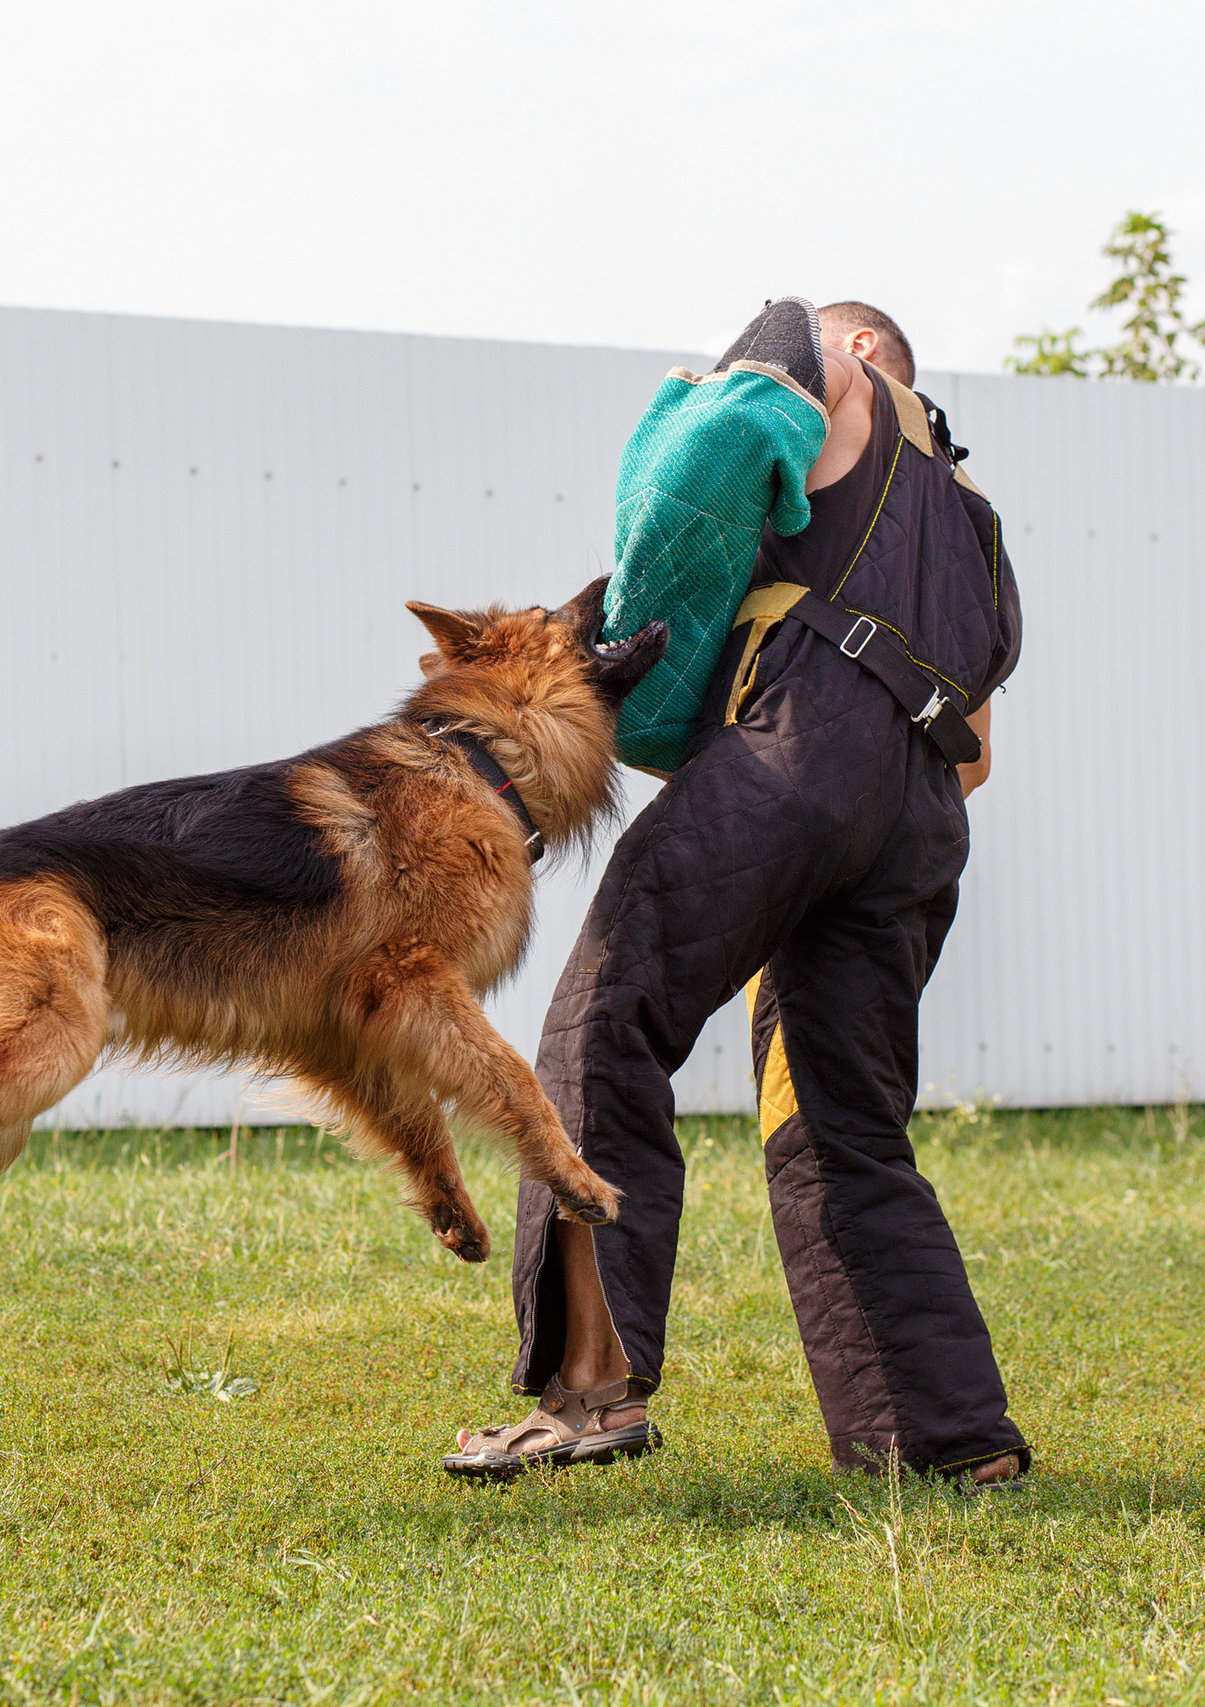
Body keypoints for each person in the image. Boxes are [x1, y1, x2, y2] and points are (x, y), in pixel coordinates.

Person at [443, 299, 1028, 1486]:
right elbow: (974, 749)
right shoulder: (971, 526)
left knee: (601, 1030)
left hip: (794, 762)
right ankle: (949, 1445)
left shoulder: (823, 362)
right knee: (840, 1127)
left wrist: (628, 662)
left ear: (864, 359)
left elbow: (699, 458)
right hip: (919, 824)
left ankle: (590, 1395)